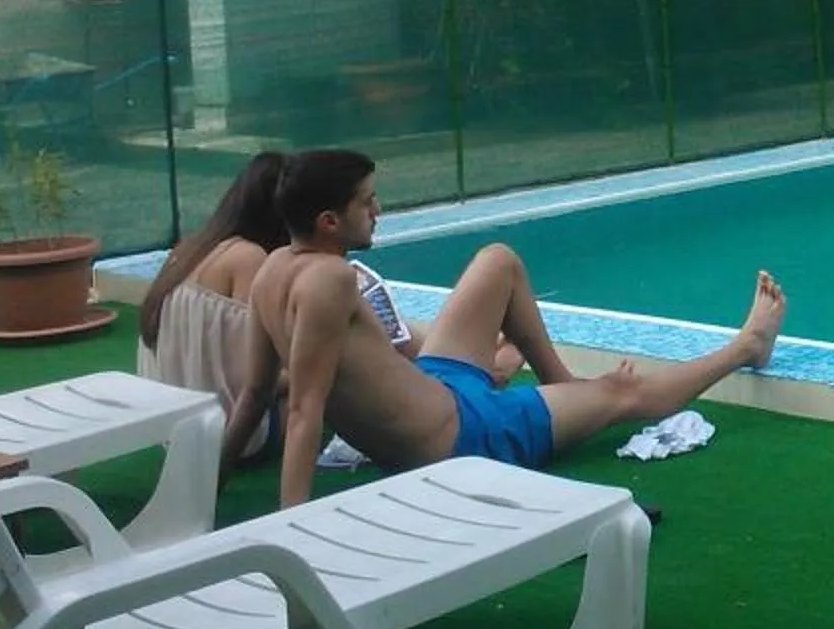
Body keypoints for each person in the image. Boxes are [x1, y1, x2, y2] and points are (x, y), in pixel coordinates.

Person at [245, 148, 784, 507]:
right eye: (367, 202)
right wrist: (292, 527)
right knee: (620, 391)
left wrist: (209, 490)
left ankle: (562, 388)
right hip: (466, 437)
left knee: (497, 262)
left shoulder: (271, 271)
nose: (379, 211)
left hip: (438, 390)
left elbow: (253, 393)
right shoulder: (331, 282)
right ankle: (746, 347)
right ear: (329, 222)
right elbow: (302, 413)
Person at [136, 151, 286, 461]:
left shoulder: (189, 249)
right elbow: (256, 382)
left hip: (174, 432)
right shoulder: (249, 258)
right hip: (237, 438)